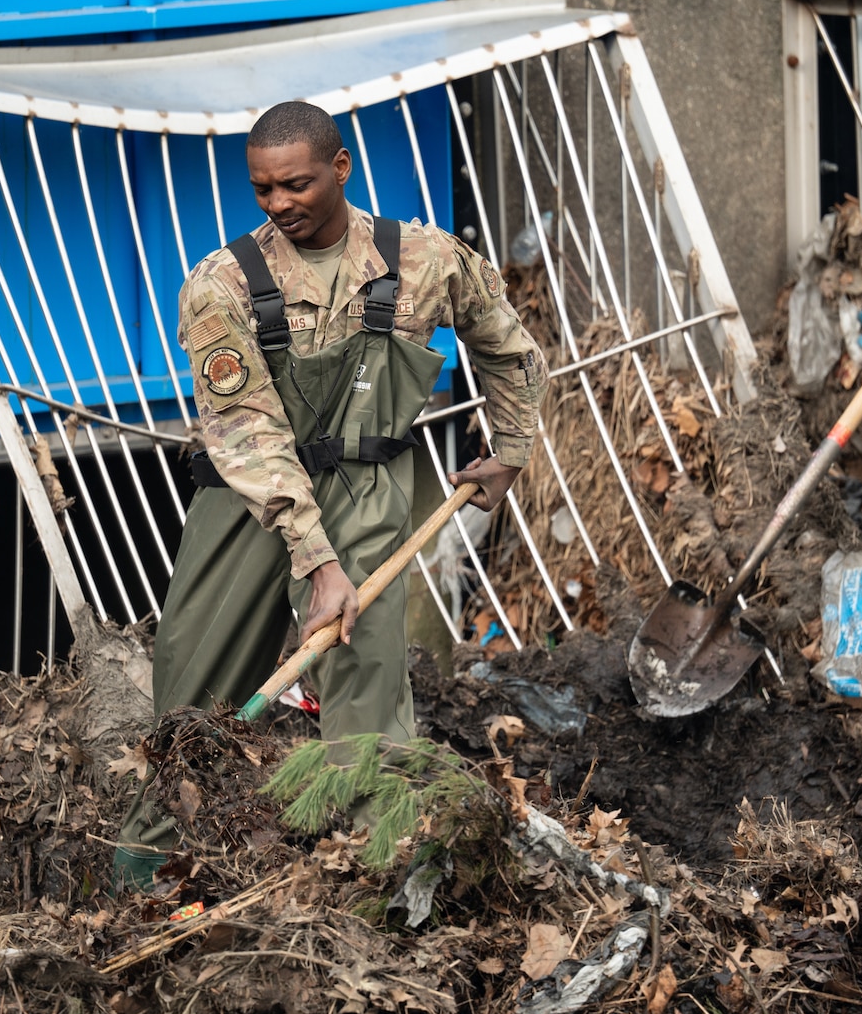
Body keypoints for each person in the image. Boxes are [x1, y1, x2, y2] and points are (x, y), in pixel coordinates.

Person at [116, 100, 544, 886]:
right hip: (249, 501)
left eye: (297, 185)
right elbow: (249, 437)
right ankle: (148, 880)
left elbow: (507, 347)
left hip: (369, 489)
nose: (279, 204)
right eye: (263, 190)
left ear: (340, 169)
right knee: (191, 693)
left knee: (369, 703)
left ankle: (378, 879)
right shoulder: (221, 285)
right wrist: (319, 562)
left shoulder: (425, 259)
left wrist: (510, 452)